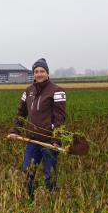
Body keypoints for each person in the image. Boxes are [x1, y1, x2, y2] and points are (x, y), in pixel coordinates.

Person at [7, 58, 66, 196]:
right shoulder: (28, 91)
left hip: (49, 142)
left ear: (48, 73)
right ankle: (30, 202)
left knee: (49, 177)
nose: (39, 74)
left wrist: (56, 139)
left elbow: (60, 118)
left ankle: (53, 204)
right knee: (27, 174)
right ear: (33, 74)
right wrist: (15, 130)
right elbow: (21, 114)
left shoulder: (57, 91)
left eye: (42, 71)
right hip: (32, 141)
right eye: (36, 71)